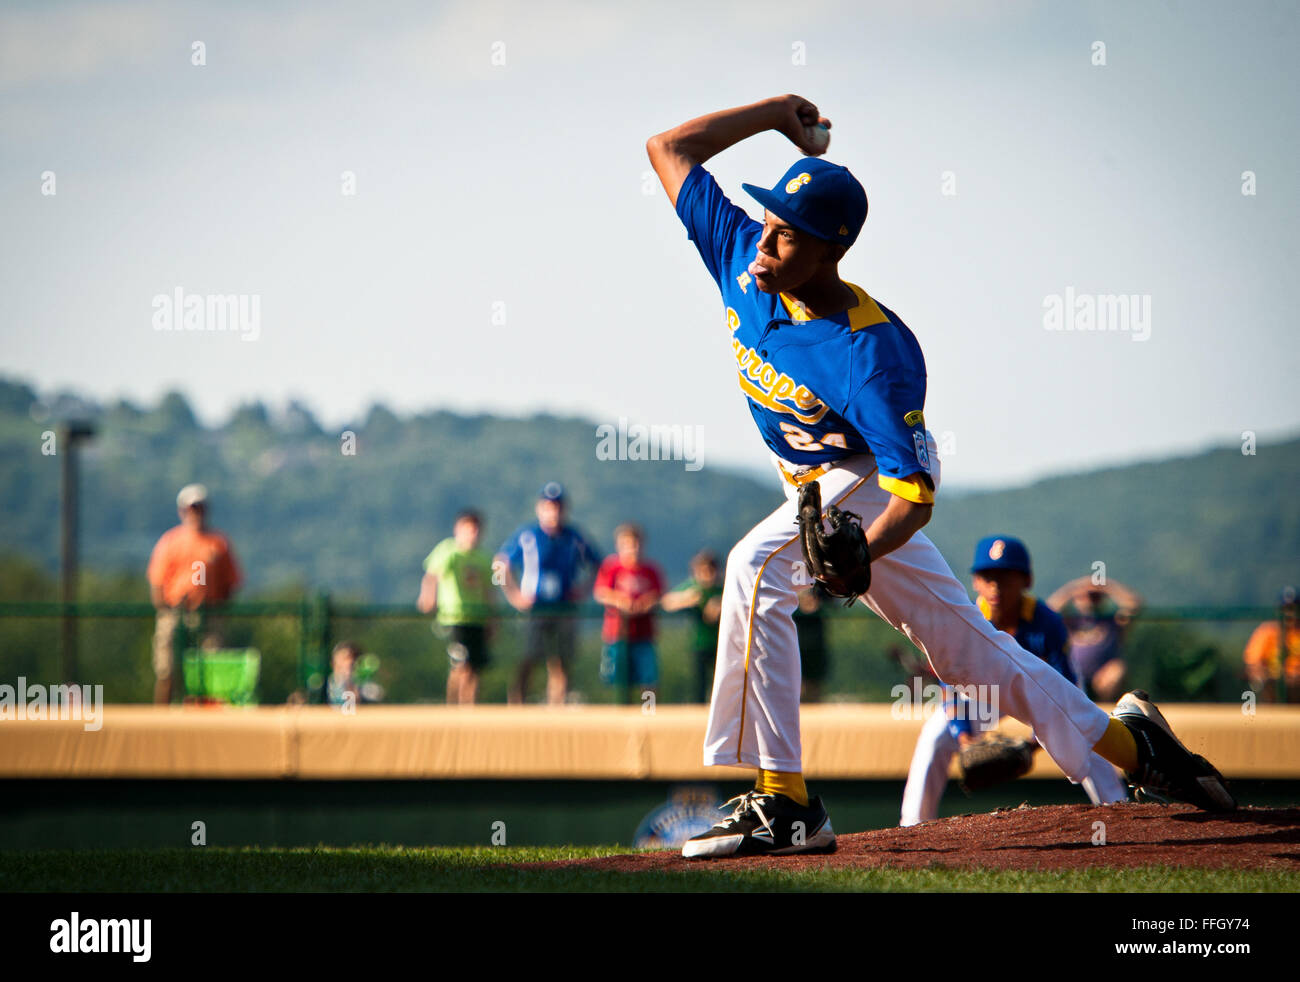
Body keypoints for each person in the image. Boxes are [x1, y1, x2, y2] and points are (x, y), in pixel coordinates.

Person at [645, 93, 1234, 859]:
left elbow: (915, 494)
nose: (764, 236)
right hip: (813, 490)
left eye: (785, 233)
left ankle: (784, 804)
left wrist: (862, 548)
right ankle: (1136, 747)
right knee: (975, 660)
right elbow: (668, 149)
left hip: (860, 482)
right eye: (766, 219)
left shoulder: (873, 352)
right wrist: (771, 118)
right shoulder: (741, 259)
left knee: (754, 568)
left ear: (830, 248)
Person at [900, 536, 1128, 827]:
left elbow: (1068, 690)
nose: (996, 587)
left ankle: (1119, 812)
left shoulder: (1046, 622)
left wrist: (1031, 747)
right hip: (981, 694)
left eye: (1006, 577)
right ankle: (912, 825)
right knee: (935, 736)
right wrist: (965, 739)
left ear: (1026, 581)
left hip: (1034, 693)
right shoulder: (965, 618)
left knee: (1082, 730)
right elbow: (950, 688)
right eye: (988, 577)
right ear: (975, 582)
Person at [495, 482, 601, 705]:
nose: (554, 512)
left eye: (558, 507)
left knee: (561, 661)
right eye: (548, 507)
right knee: (528, 658)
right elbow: (499, 565)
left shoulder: (574, 537)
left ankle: (557, 707)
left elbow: (598, 565)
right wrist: (513, 595)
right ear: (539, 508)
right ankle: (516, 705)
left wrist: (583, 590)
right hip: (534, 608)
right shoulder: (527, 535)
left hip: (564, 607)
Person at [146, 484, 241, 705]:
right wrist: (165, 609)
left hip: (209, 614)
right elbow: (157, 581)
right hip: (174, 612)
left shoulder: (219, 543)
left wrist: (218, 608)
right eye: (190, 508)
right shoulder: (170, 542)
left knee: (210, 669)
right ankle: (160, 719)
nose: (194, 513)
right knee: (167, 669)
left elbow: (231, 581)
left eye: (199, 508)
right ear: (182, 511)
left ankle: (204, 720)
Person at [418, 510, 496, 705]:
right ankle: (453, 705)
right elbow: (432, 574)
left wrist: (493, 618)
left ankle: (469, 705)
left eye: (476, 530)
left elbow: (490, 589)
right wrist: (428, 597)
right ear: (458, 530)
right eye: (468, 530)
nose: (472, 535)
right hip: (455, 617)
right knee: (460, 664)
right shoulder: (448, 551)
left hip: (477, 617)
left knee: (475, 667)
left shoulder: (485, 558)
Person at [593, 524, 665, 704]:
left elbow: (659, 594)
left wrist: (645, 603)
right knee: (616, 679)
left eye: (636, 544)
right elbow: (601, 592)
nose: (632, 549)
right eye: (627, 544)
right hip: (617, 634)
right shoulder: (611, 568)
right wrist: (620, 601)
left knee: (648, 678)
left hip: (644, 634)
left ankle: (649, 711)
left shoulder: (650, 570)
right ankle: (619, 713)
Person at [1046, 576, 1143, 702]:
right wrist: (1073, 589)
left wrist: (1108, 587)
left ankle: (1106, 706)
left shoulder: (1113, 620)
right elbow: (1049, 609)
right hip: (1073, 674)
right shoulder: (1070, 621)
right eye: (1084, 596)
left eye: (1095, 596)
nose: (1089, 600)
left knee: (1117, 669)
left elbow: (1134, 605)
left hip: (1102, 676)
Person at [661, 550, 724, 703]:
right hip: (699, 643)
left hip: (721, 645)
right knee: (699, 684)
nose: (707, 575)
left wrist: (721, 604)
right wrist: (686, 599)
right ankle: (698, 709)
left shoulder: (722, 590)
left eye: (710, 571)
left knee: (721, 682)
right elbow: (666, 602)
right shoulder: (693, 589)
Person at [1243, 586, 1300, 703]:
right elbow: (1253, 664)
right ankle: (1272, 714)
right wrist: (1273, 675)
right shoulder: (1267, 632)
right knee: (1264, 681)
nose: (1290, 613)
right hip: (1274, 683)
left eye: (1294, 609)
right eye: (1286, 608)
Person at [793, 583, 830, 703]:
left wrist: (819, 599)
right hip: (796, 644)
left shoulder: (820, 581)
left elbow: (834, 601)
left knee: (813, 688)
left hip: (816, 644)